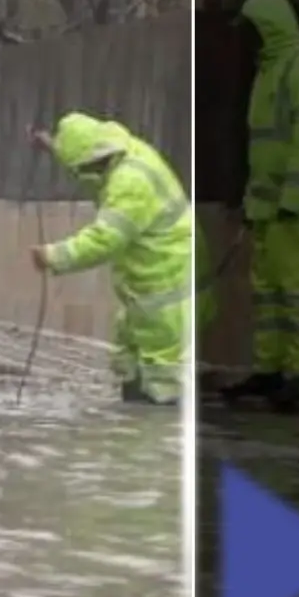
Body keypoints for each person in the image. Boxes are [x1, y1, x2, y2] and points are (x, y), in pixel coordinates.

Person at [26, 112, 195, 406]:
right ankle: (132, 419)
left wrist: (54, 256)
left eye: (83, 168)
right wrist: (53, 146)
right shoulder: (115, 154)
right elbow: (81, 162)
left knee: (162, 367)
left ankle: (159, 428)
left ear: (96, 159)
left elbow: (105, 240)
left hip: (166, 274)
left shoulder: (130, 182)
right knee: (128, 352)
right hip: (143, 277)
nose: (81, 175)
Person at [222, 0, 299, 411]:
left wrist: (292, 196)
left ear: (268, 29)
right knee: (267, 293)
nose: (246, 40)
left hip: (297, 210)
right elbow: (263, 148)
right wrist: (255, 202)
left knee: (296, 291)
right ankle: (270, 369)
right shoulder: (269, 71)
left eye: (251, 31)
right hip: (269, 208)